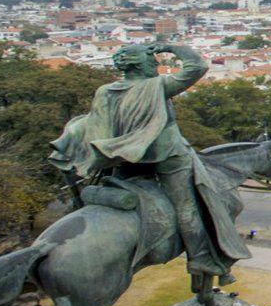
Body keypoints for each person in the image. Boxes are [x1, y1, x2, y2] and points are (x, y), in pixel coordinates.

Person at [49, 44, 243, 279]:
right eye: (152, 61)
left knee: (106, 188)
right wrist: (171, 47)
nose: (156, 64)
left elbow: (98, 129)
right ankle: (200, 257)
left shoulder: (106, 92)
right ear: (140, 64)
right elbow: (198, 66)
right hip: (165, 156)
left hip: (124, 157)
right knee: (186, 206)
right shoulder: (158, 86)